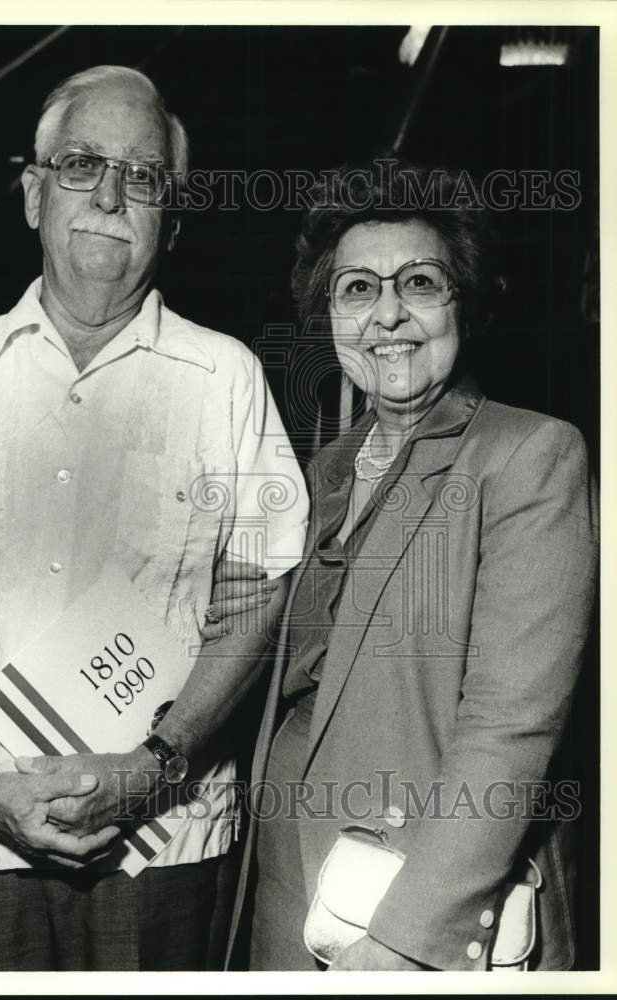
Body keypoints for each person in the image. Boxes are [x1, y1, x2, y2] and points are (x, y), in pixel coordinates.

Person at [0, 65, 309, 971]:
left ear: (170, 219)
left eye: (141, 175)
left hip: (165, 841)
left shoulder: (226, 379)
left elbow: (263, 594)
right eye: (80, 164)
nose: (109, 192)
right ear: (32, 195)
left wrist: (152, 767)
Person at [220, 161, 598, 971]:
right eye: (356, 289)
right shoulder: (325, 472)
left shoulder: (528, 454)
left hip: (415, 903)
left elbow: (512, 727)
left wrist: (404, 937)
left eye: (419, 283)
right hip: (291, 881)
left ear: (464, 301)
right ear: (327, 316)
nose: (386, 313)